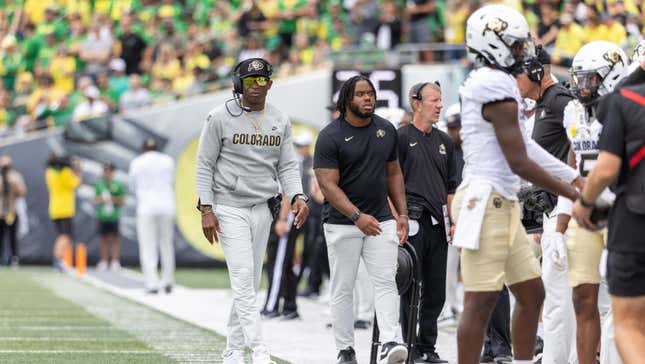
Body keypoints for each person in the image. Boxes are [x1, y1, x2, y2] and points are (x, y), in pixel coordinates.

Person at [454, 5, 582, 364]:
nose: (521, 51)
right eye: (513, 44)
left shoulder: (500, 82)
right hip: (486, 199)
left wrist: (574, 177)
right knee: (479, 303)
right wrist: (574, 191)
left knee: (531, 293)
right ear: (491, 44)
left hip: (503, 201)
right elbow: (519, 159)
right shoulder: (492, 83)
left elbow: (528, 149)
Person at [195, 57, 309, 364]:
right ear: (238, 84)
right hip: (228, 206)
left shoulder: (280, 119)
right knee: (244, 279)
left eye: (261, 80)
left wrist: (298, 195)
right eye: (249, 81)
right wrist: (206, 207)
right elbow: (204, 163)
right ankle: (260, 352)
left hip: (263, 208)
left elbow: (287, 164)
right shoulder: (219, 116)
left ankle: (232, 349)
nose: (255, 86)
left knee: (248, 282)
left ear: (270, 84)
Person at [314, 75, 409, 364]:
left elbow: (394, 173)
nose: (368, 98)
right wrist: (356, 216)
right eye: (361, 94)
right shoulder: (330, 135)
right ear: (346, 101)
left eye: (371, 93)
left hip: (380, 219)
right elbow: (327, 185)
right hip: (343, 223)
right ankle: (346, 349)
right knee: (343, 287)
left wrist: (401, 213)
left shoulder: (386, 130)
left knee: (385, 281)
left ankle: (391, 341)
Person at [559, 41, 630, 364]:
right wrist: (564, 214)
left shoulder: (627, 106)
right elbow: (574, 161)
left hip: (620, 207)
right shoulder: (572, 110)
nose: (581, 87)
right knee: (583, 296)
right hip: (585, 210)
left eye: (590, 79)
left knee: (621, 300)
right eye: (579, 79)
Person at [572, 56, 645, 364]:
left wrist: (585, 202)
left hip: (635, 220)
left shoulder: (624, 100)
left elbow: (605, 170)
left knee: (628, 325)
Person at [516, 46, 578, 364]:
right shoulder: (542, 105)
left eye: (519, 73)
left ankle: (557, 359)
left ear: (537, 72)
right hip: (550, 211)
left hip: (563, 212)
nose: (516, 81)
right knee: (557, 296)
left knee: (556, 296)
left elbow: (579, 153)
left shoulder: (560, 102)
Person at [397, 81, 456, 363]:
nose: (439, 105)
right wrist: (398, 217)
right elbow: (388, 182)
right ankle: (407, 346)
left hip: (438, 224)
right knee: (409, 287)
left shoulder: (446, 141)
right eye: (434, 100)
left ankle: (426, 347)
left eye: (441, 100)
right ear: (416, 103)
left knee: (436, 291)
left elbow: (452, 187)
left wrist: (453, 221)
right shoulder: (400, 137)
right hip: (411, 222)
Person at [128, 138, 176, 294]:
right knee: (166, 244)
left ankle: (152, 283)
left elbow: (132, 186)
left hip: (147, 207)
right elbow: (172, 181)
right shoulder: (168, 160)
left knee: (148, 246)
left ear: (143, 148)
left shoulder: (137, 162)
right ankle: (168, 281)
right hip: (167, 205)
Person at [45, 153, 81, 271]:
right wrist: (77, 170)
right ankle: (58, 260)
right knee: (65, 236)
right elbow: (76, 183)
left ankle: (63, 260)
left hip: (55, 208)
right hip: (64, 209)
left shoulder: (49, 172)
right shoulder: (65, 173)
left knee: (65, 236)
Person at [94, 163, 125, 271]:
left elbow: (122, 200)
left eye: (109, 171)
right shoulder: (99, 184)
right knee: (103, 239)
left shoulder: (118, 185)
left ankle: (115, 261)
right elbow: (95, 199)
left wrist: (112, 199)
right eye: (106, 171)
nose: (107, 173)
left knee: (115, 239)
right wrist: (103, 200)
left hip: (114, 216)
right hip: (103, 216)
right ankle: (104, 261)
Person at [0, 155, 26, 267]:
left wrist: (13, 184)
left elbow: (23, 192)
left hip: (12, 210)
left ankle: (14, 258)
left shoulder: (15, 176)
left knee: (12, 236)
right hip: (0, 212)